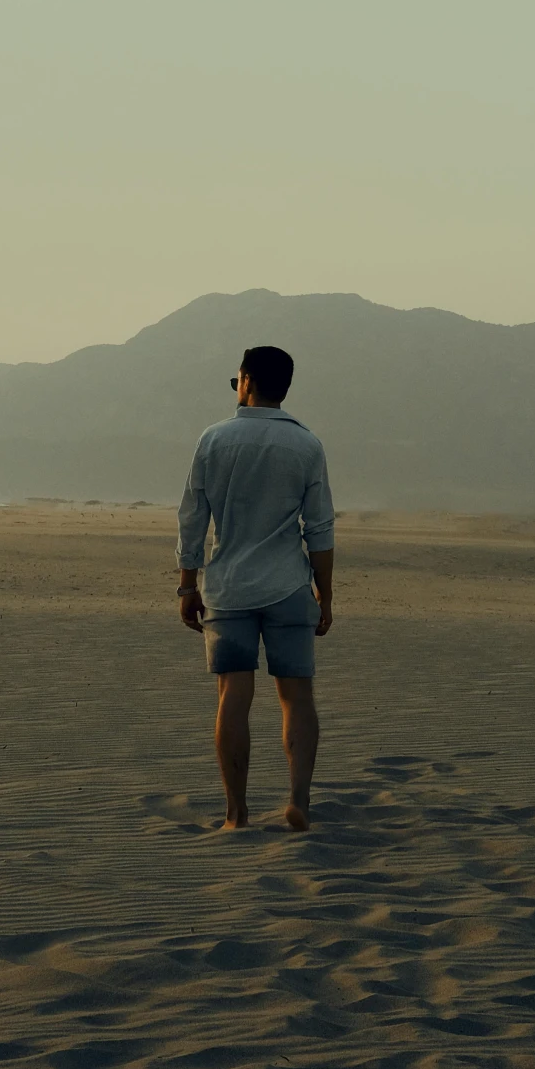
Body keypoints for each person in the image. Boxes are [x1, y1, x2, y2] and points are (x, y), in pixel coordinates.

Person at [176, 344, 335, 831]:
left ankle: (236, 813)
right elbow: (321, 529)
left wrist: (187, 583)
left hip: (229, 587)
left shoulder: (213, 440)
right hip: (289, 585)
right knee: (296, 696)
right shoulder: (307, 445)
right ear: (284, 388)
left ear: (245, 381)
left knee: (233, 697)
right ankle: (299, 801)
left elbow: (192, 517)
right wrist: (325, 596)